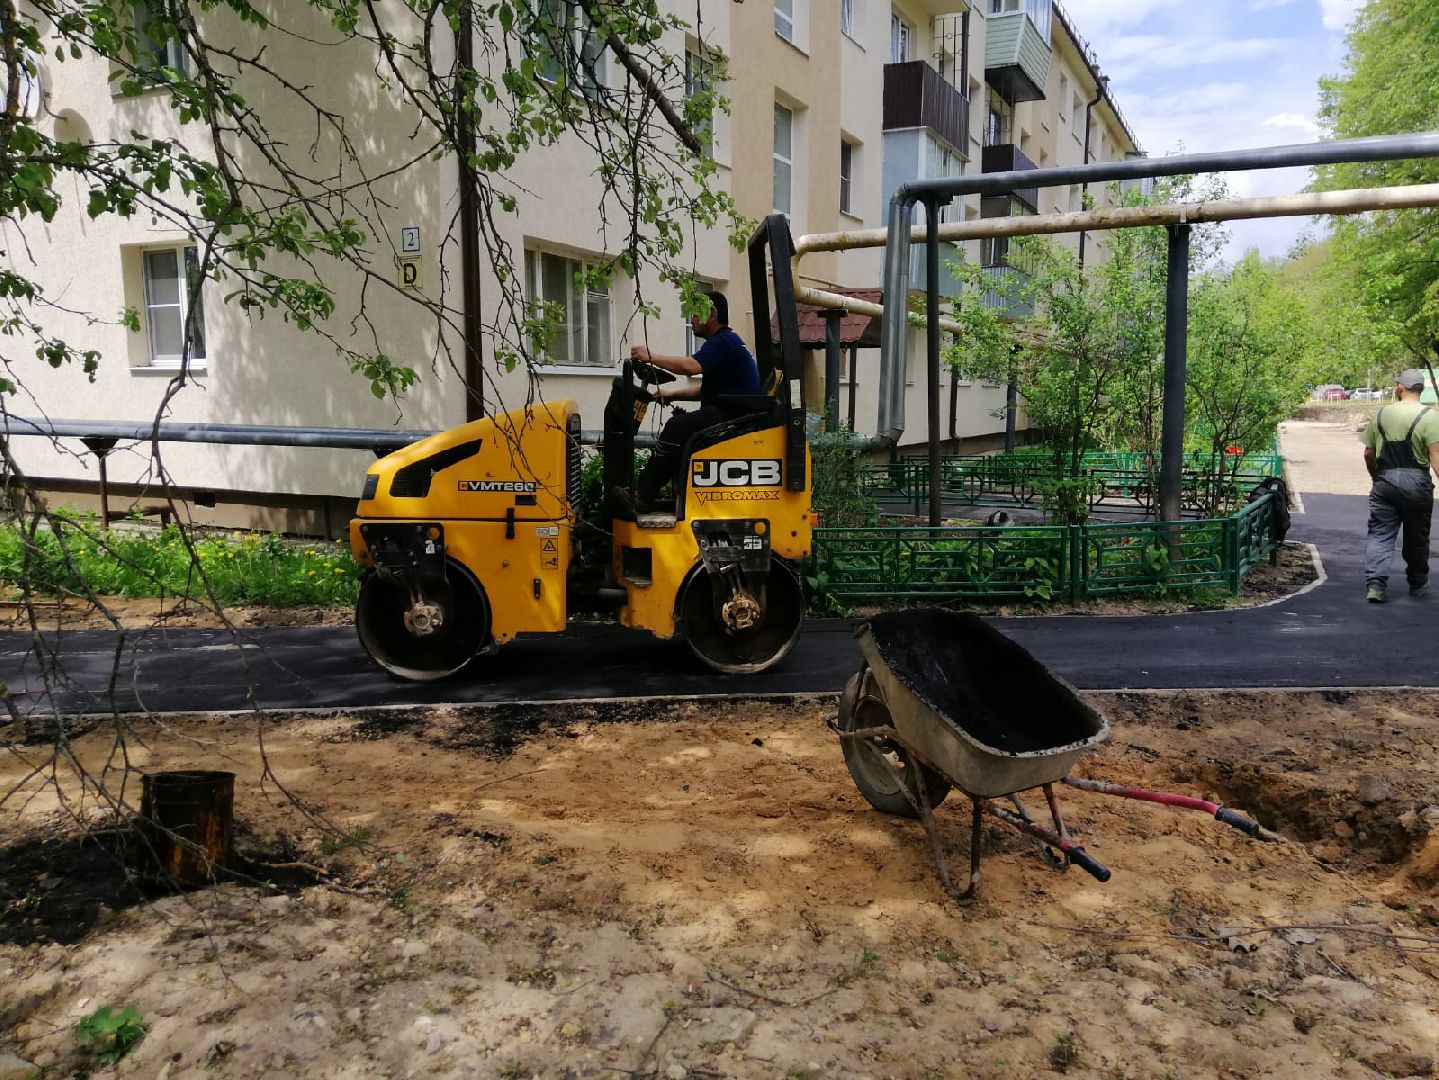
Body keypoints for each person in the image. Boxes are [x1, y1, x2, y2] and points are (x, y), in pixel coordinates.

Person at [619, 292, 760, 512]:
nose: (691, 319)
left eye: (695, 313)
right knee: (681, 424)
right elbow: (705, 391)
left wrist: (651, 356)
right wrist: (672, 394)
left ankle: (643, 496)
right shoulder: (727, 343)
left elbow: (691, 367)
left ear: (712, 314)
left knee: (677, 426)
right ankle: (666, 492)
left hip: (733, 416)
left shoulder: (722, 342)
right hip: (732, 412)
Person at [1360, 368, 1439, 603]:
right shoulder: (1431, 417)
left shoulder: (1381, 414)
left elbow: (1368, 453)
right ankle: (1417, 583)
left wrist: (1376, 477)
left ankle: (1375, 585)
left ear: (1400, 388)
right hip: (1417, 484)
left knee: (1380, 535)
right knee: (1417, 537)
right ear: (1421, 390)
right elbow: (1435, 455)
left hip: (1385, 481)